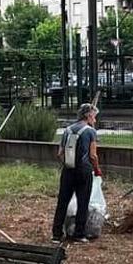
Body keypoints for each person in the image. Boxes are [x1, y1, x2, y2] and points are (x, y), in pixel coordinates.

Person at [51, 103, 101, 244]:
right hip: (84, 171)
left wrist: (68, 164)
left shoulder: (67, 130)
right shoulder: (90, 132)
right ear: (88, 115)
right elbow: (93, 156)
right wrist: (96, 169)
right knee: (83, 202)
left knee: (63, 201)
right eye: (94, 117)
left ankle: (56, 233)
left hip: (68, 170)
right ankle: (79, 234)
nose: (95, 120)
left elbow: (60, 153)